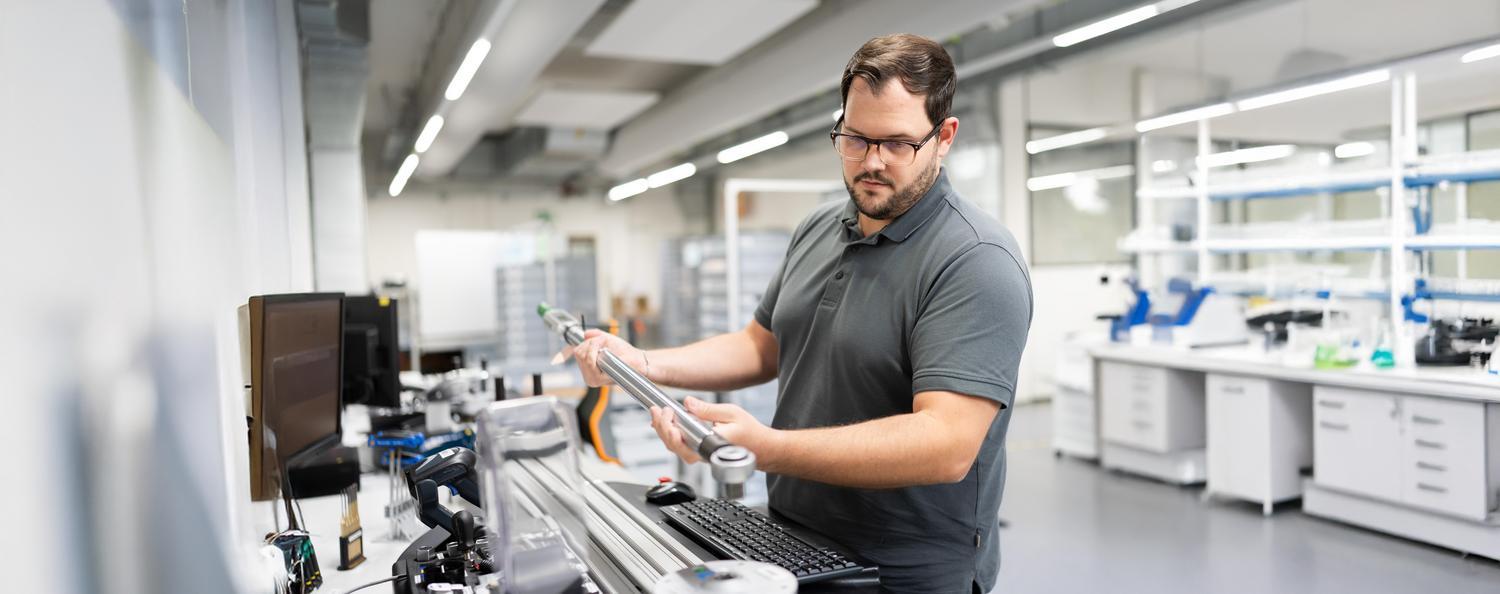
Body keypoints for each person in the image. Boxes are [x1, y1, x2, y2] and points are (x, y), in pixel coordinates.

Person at [568, 33, 1032, 593]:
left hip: (904, 572)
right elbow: (761, 346)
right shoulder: (819, 228)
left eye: (898, 143)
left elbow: (947, 444)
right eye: (856, 139)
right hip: (791, 541)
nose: (873, 162)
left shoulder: (975, 260)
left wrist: (766, 447)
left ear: (945, 137)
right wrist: (643, 362)